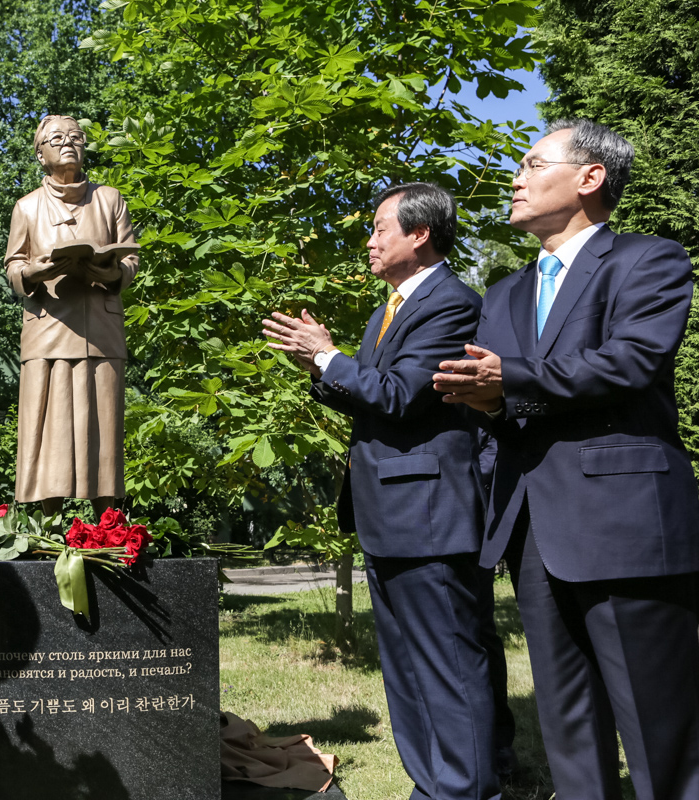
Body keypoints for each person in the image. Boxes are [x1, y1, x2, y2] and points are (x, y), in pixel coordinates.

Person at [434, 119, 699, 799]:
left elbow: (630, 362)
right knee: (568, 731)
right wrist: (484, 401)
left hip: (625, 524)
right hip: (531, 528)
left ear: (590, 177)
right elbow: (495, 396)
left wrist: (511, 381)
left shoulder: (650, 261)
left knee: (661, 737)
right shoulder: (504, 293)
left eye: (531, 163)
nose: (514, 179)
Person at [264, 183, 500, 800]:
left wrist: (330, 356)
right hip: (388, 513)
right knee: (406, 671)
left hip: (430, 515)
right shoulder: (387, 309)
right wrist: (318, 368)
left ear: (419, 235)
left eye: (378, 229)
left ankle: (468, 790)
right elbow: (372, 398)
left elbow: (400, 396)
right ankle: (432, 786)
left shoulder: (451, 304)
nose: (368, 241)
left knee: (447, 666)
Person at [4, 114, 138, 517]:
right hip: (49, 328)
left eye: (76, 138)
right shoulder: (27, 207)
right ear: (40, 154)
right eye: (57, 138)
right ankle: (48, 524)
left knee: (104, 427)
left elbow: (130, 258)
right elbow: (13, 266)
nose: (69, 144)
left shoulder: (110, 199)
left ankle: (108, 524)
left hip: (101, 328)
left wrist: (112, 271)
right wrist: (34, 272)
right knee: (50, 428)